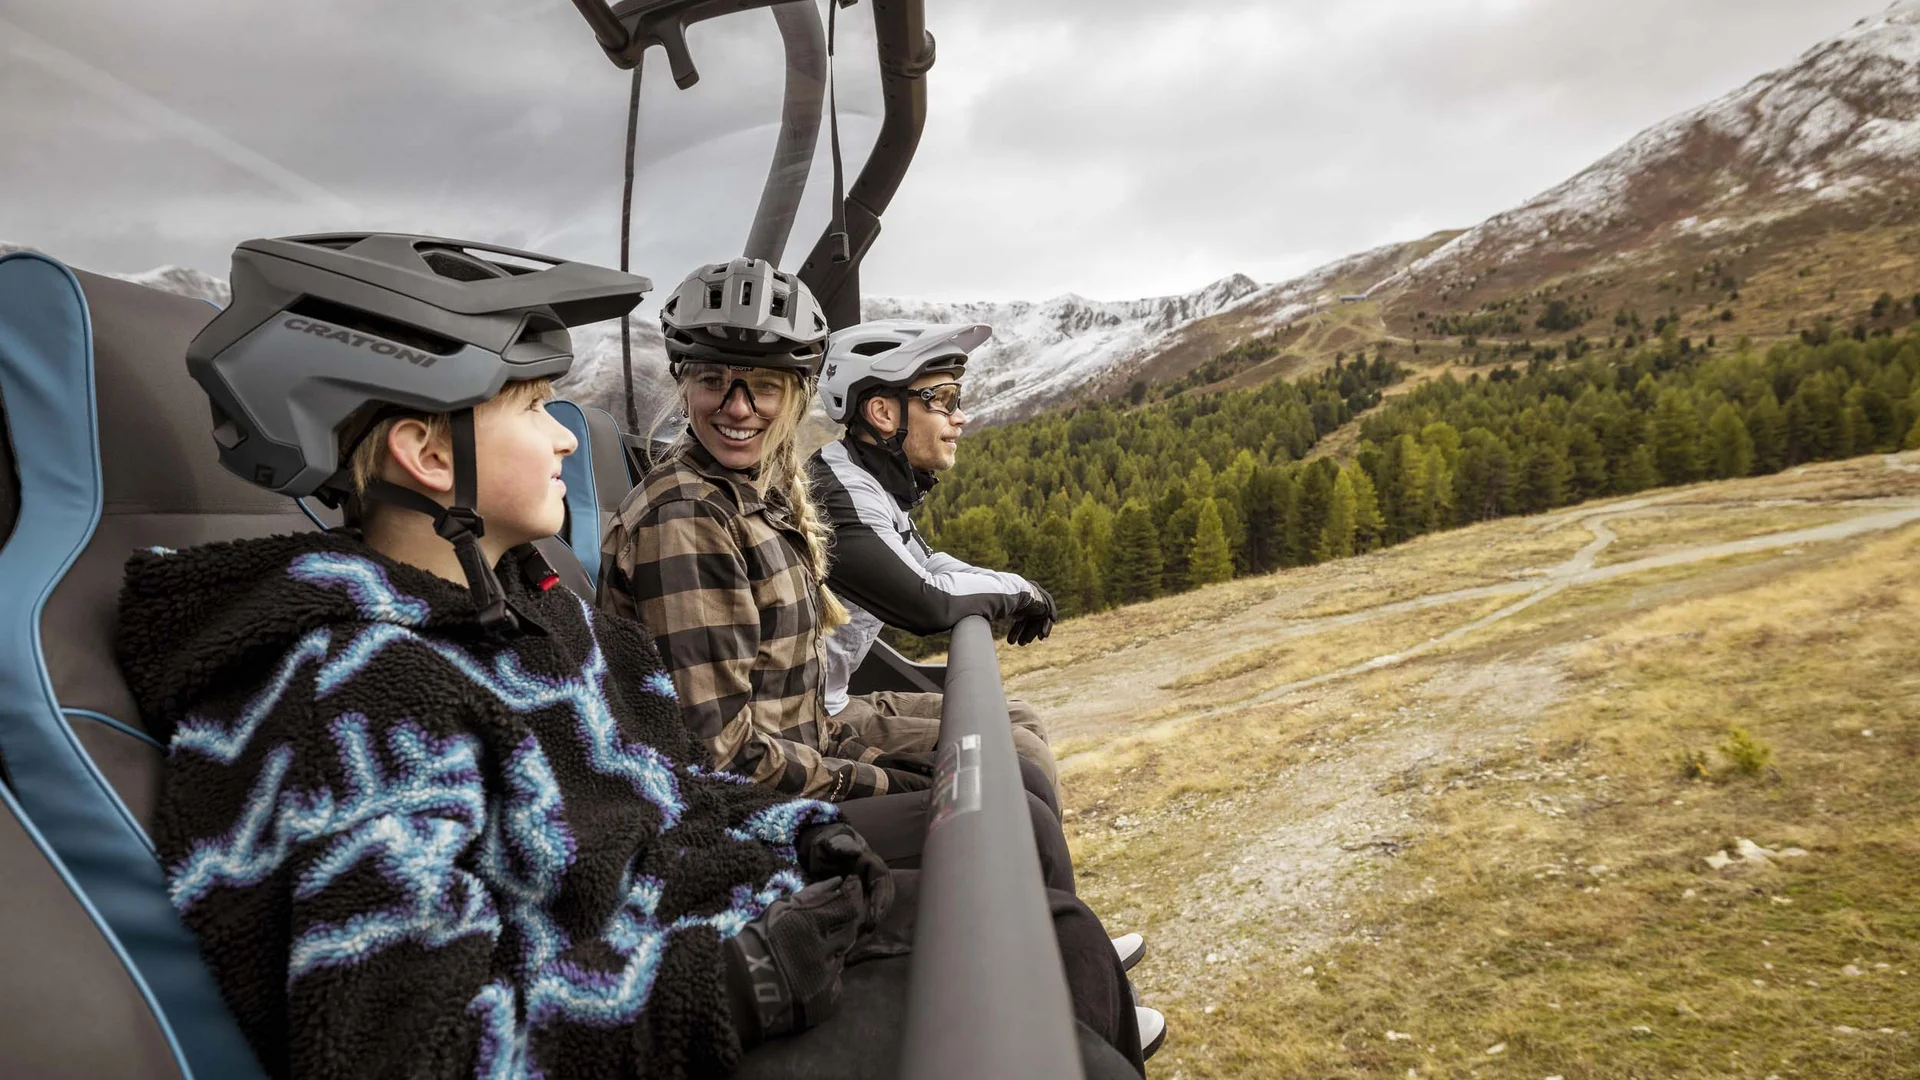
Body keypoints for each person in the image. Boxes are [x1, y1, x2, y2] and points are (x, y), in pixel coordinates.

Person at [119, 235, 1148, 1078]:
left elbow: (661, 788)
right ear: (430, 457)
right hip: (651, 1009)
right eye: (531, 408)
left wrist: (796, 838)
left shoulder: (533, 616)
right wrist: (743, 973)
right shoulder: (352, 696)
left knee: (1049, 933)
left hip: (686, 930)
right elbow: (407, 1044)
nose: (570, 440)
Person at [597, 259, 1160, 1056]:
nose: (736, 406)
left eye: (760, 385)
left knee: (1007, 801)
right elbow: (722, 756)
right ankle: (1035, 1028)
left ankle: (1062, 1001)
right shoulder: (689, 517)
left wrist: (870, 766)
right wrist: (882, 778)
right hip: (738, 812)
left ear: (793, 393)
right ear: (684, 383)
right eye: (714, 381)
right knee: (1012, 826)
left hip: (797, 760)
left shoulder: (758, 489)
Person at [809, 321, 1062, 796]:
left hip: (836, 702)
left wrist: (1017, 587)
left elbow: (929, 564)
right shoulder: (834, 495)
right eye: (944, 401)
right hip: (808, 723)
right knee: (1021, 752)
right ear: (883, 412)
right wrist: (1021, 593)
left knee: (1022, 716)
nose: (960, 417)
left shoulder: (870, 484)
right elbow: (925, 600)